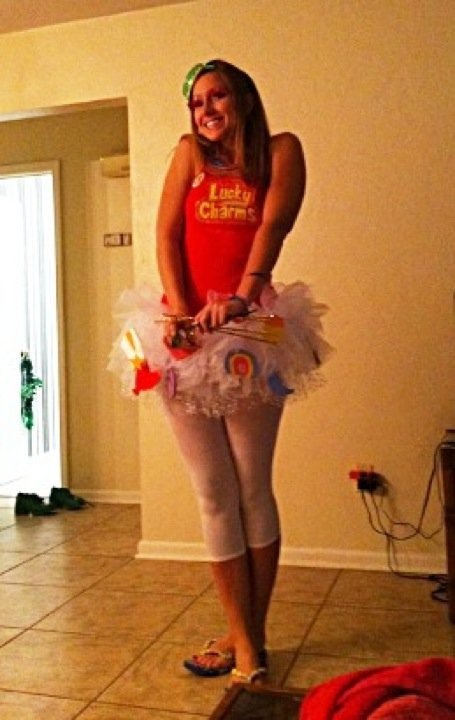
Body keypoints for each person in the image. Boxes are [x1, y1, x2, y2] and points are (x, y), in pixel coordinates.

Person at [109, 59, 332, 684]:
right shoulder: (188, 155)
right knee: (212, 493)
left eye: (219, 96)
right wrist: (181, 312)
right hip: (182, 335)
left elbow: (274, 225)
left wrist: (241, 294)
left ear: (243, 98)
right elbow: (165, 234)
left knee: (252, 487)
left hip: (248, 334)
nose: (206, 109)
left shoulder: (280, 150)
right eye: (198, 101)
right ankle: (246, 642)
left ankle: (247, 645)